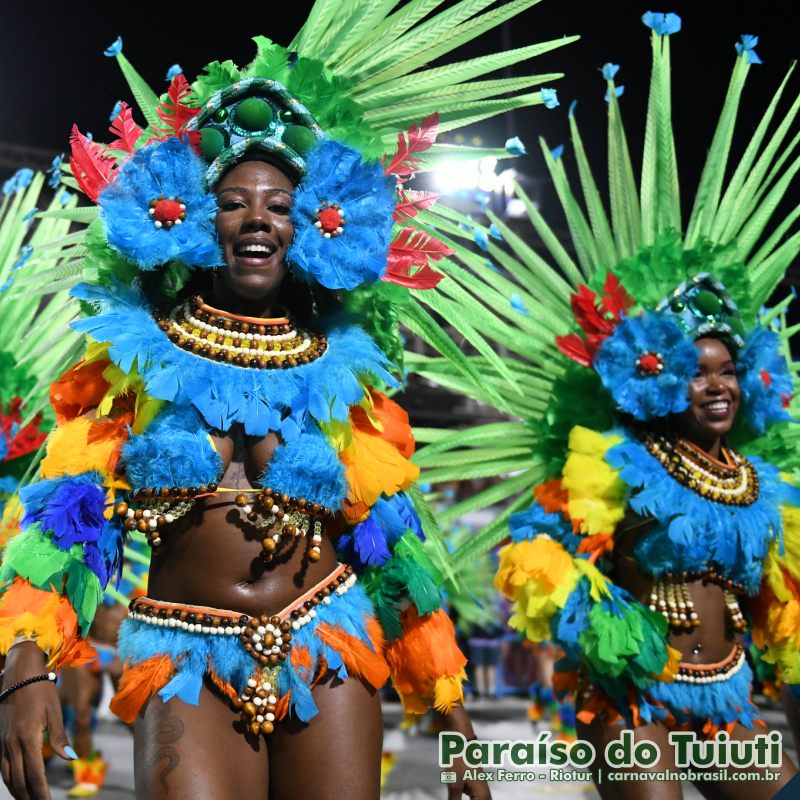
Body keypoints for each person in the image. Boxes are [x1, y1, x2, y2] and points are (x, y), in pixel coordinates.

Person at [0, 4, 578, 799]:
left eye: (279, 203)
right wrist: (25, 664)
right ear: (201, 219)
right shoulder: (136, 353)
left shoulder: (344, 372)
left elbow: (393, 544)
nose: (258, 218)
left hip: (326, 641)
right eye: (235, 201)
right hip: (184, 657)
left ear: (308, 225)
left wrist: (452, 712)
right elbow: (64, 515)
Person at [408, 11, 800, 800]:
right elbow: (555, 561)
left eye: (728, 370)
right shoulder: (615, 463)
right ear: (655, 378)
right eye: (694, 372)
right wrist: (611, 636)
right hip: (630, 695)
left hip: (727, 695)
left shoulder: (761, 481)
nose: (716, 386)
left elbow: (774, 594)